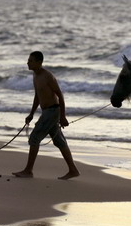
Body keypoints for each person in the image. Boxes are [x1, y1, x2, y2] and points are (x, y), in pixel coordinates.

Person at [12, 51, 81, 180]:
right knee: (59, 141)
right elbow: (37, 96)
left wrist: (62, 116)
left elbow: (60, 95)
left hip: (53, 111)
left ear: (39, 62)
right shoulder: (35, 75)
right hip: (46, 111)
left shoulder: (48, 76)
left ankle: (28, 171)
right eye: (28, 60)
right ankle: (73, 170)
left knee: (34, 138)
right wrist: (31, 114)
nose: (28, 62)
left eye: (31, 60)